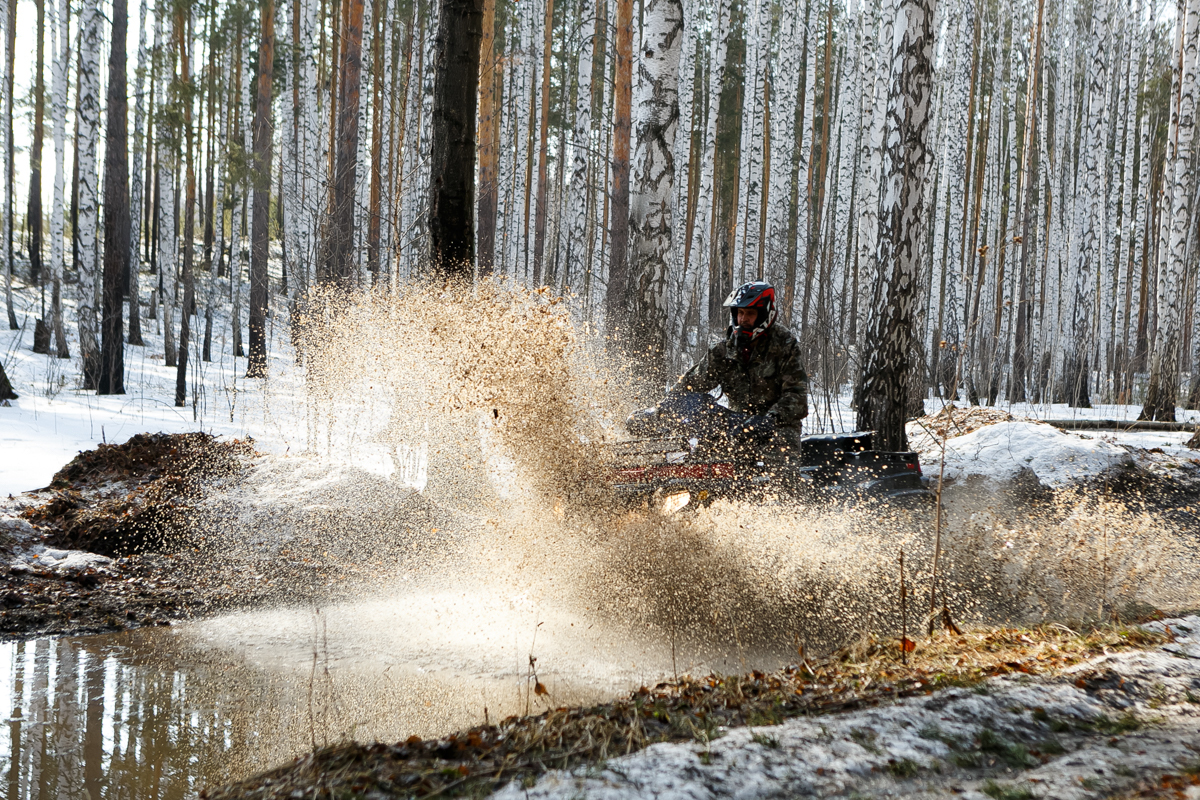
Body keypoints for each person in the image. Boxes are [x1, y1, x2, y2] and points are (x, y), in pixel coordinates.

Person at [671, 281, 809, 453]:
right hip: (737, 425)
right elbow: (688, 385)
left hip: (777, 426)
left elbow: (797, 396)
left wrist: (769, 420)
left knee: (780, 465)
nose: (743, 319)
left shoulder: (785, 345)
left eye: (750, 313)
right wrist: (662, 410)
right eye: (740, 313)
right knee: (705, 459)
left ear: (765, 314)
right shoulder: (723, 350)